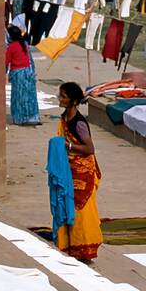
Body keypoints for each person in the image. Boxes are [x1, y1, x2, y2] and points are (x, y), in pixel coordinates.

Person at [56, 81, 102, 263]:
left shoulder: (79, 123)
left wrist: (68, 146)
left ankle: (83, 247)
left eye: (64, 96)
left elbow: (89, 149)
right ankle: (69, 244)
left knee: (81, 212)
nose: (60, 99)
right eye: (60, 95)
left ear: (73, 101)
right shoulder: (64, 117)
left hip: (82, 173)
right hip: (69, 170)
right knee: (67, 207)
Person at [5, 24, 41, 126]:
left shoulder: (11, 47)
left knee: (19, 97)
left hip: (19, 74)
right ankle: (33, 117)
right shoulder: (24, 44)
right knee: (30, 95)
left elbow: (6, 61)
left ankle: (21, 118)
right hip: (28, 73)